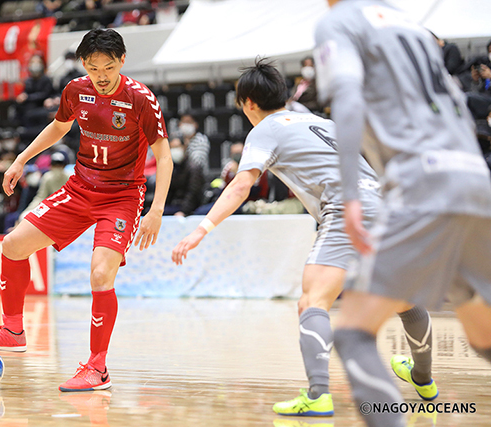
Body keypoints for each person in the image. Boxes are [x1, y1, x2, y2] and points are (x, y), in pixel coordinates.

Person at [172, 59, 437, 417]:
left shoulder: (264, 130)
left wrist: (199, 230)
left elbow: (240, 186)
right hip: (385, 208)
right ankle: (423, 378)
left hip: (346, 211)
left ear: (248, 103)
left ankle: (318, 395)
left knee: (312, 301)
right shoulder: (321, 122)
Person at [314, 2, 491, 426]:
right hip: (475, 177)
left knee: (353, 333)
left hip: (421, 182)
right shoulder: (411, 25)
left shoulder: (338, 22)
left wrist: (351, 194)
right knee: (484, 335)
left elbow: (347, 102)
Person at [0, 29, 173, 393]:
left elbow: (164, 156)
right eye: (94, 68)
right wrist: (20, 160)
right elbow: (58, 127)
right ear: (83, 64)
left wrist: (156, 210)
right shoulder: (76, 90)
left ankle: (97, 368)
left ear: (122, 61)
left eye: (109, 67)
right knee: (12, 245)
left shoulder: (141, 99)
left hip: (122, 196)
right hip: (80, 188)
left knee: (100, 275)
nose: (102, 76)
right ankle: (13, 329)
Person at [164, 137, 204, 217]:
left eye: (177, 147)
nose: (175, 150)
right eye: (172, 148)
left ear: (184, 147)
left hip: (191, 207)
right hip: (175, 204)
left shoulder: (193, 167)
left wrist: (183, 211)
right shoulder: (172, 167)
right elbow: (169, 191)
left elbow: (193, 193)